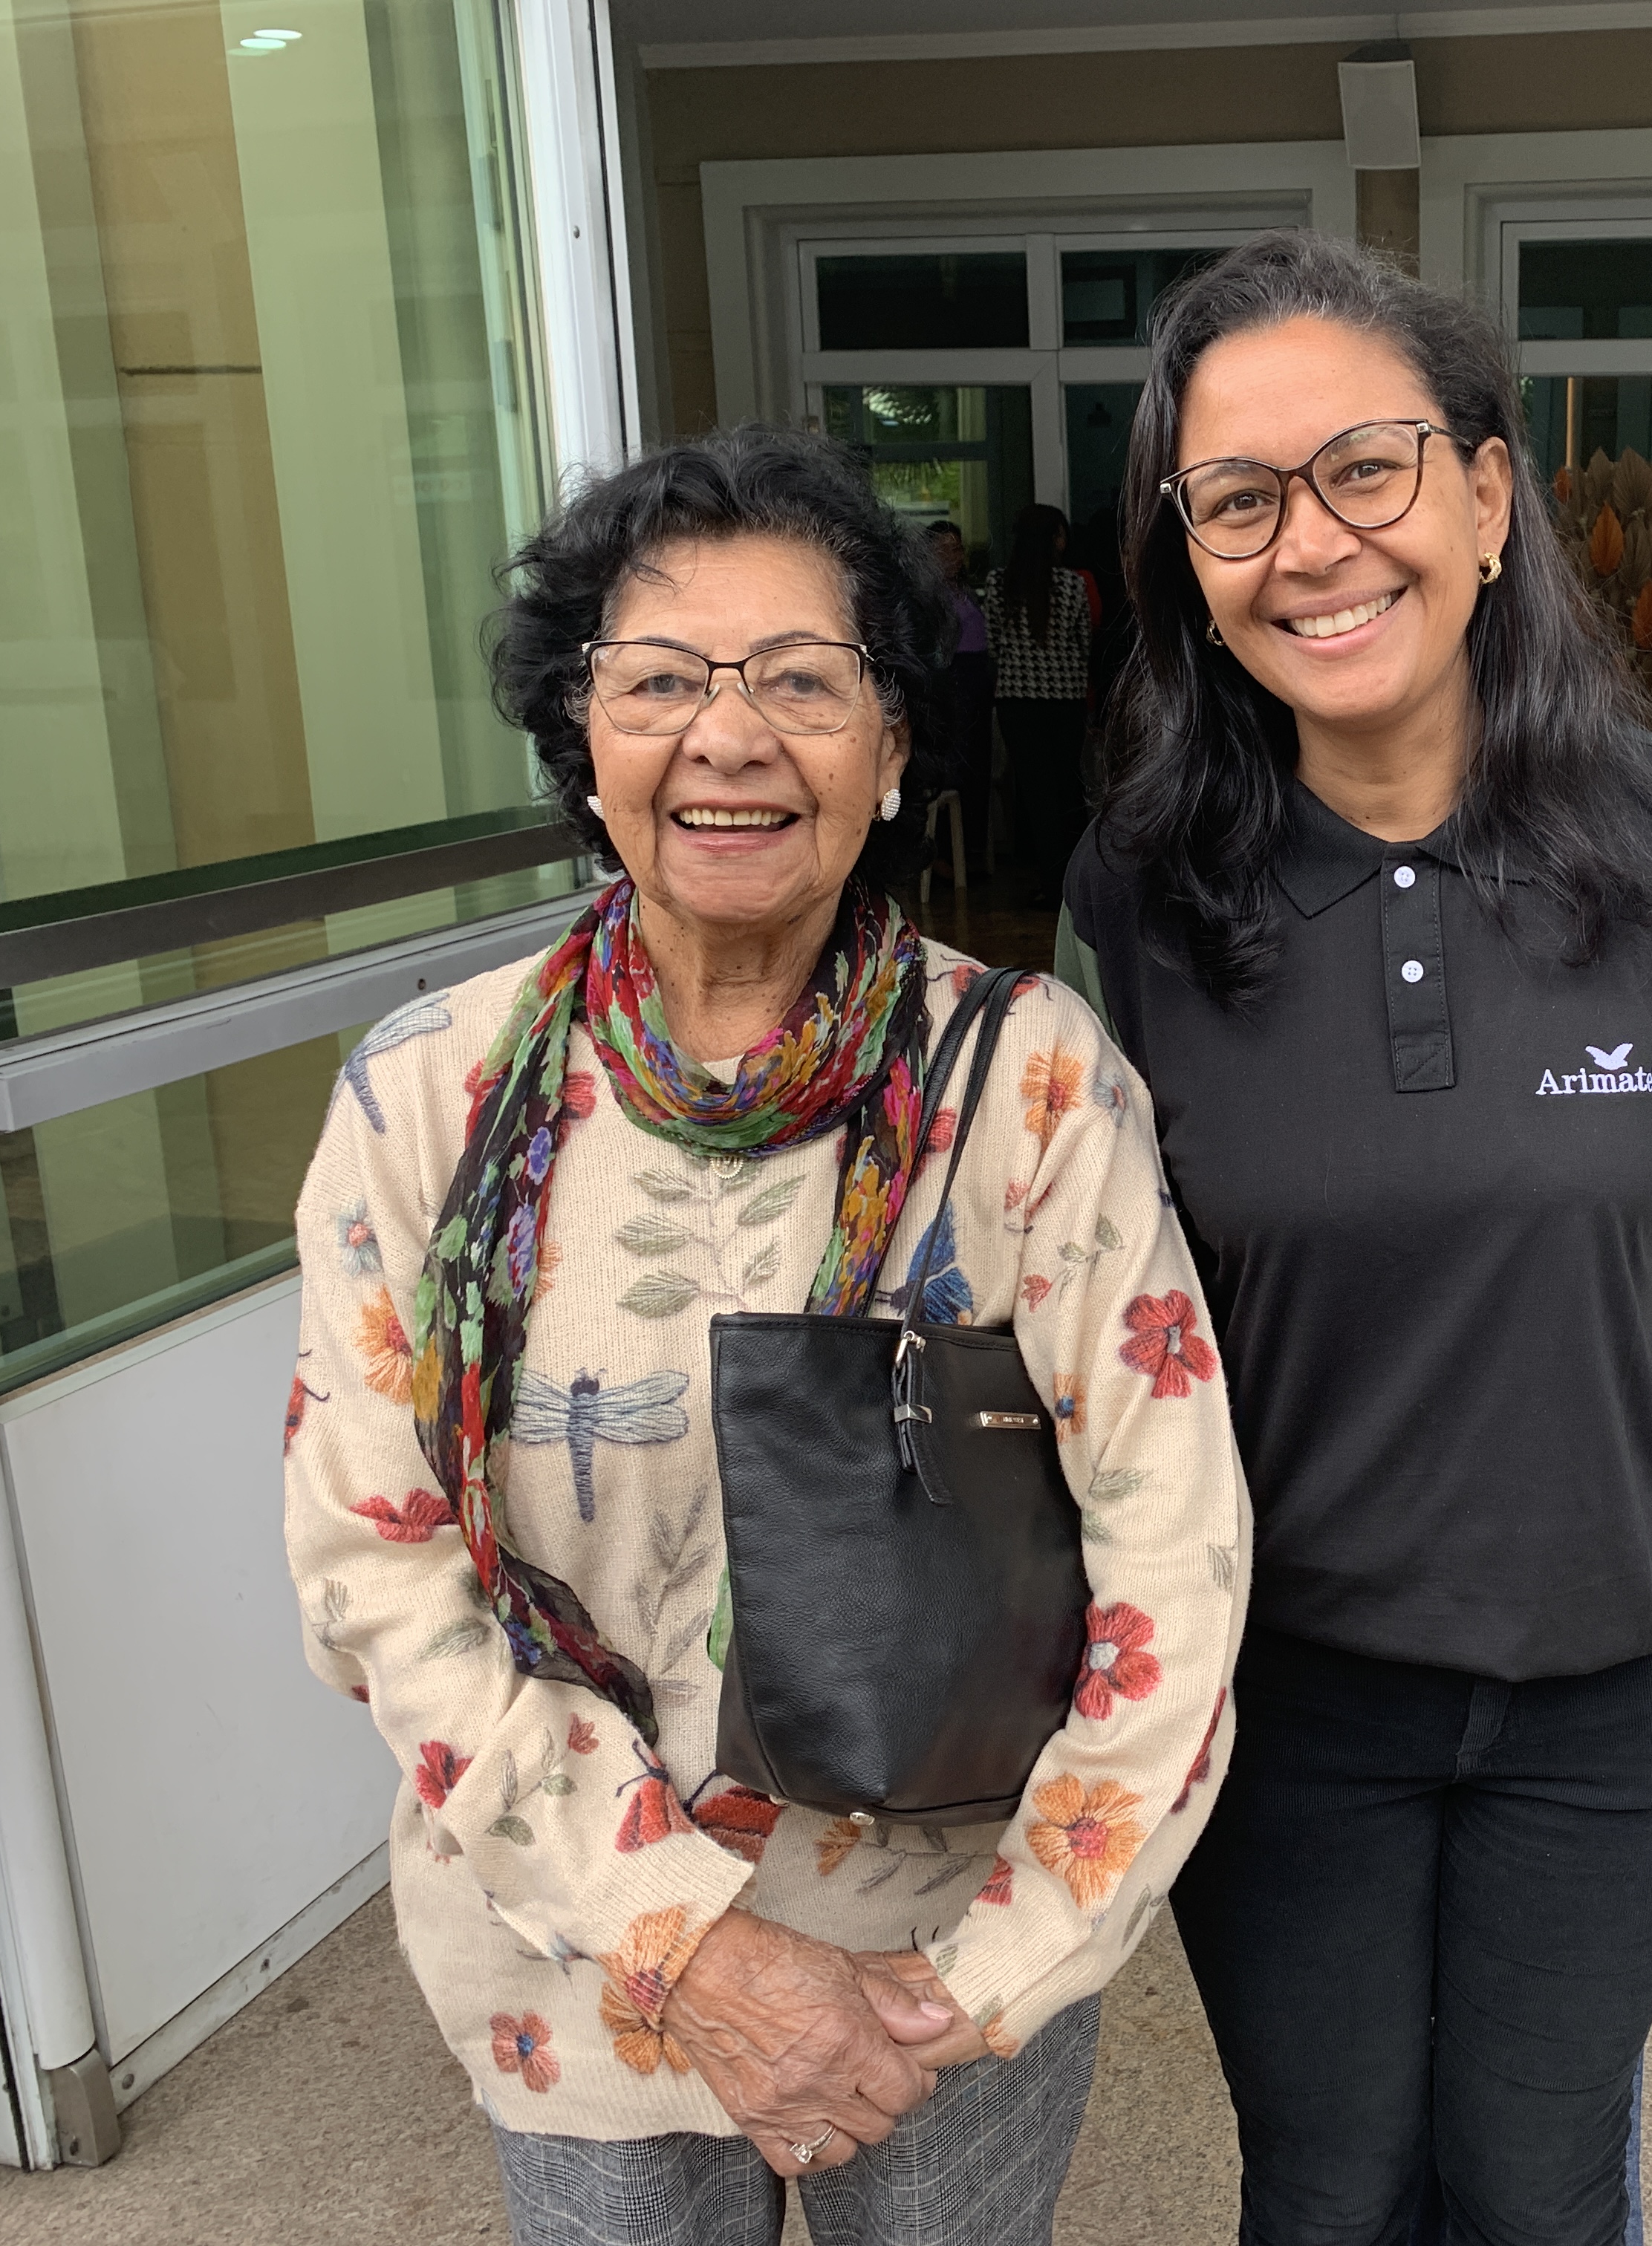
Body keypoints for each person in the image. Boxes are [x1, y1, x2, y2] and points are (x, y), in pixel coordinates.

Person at [281, 426, 1246, 2245]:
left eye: (803, 681)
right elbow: (372, 1568)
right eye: (659, 682)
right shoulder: (427, 1101)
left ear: (893, 749)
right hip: (583, 1952)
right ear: (585, 741)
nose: (729, 737)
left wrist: (1003, 1967)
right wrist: (689, 1942)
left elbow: (1174, 1554)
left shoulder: (1031, 1091)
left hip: (945, 1979)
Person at [1060, 230, 1652, 2244]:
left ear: (1484, 494)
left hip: (1614, 1672)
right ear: (1190, 562)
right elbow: (1116, 1292)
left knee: (1537, 2192)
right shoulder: (1142, 888)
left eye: (1365, 470)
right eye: (1236, 500)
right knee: (1325, 2191)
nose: (1311, 546)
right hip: (1284, 1683)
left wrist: (1508, 1402)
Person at [983, 502, 1093, 910]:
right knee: (1068, 790)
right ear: (1052, 540)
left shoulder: (998, 584)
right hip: (1065, 701)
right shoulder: (1073, 585)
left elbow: (994, 645)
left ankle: (1049, 883)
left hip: (1017, 702)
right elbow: (1084, 643)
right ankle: (1075, 888)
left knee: (1036, 793)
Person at [924, 518, 995, 872]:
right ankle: (948, 858)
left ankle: (975, 853)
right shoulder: (925, 597)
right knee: (957, 765)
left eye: (957, 548)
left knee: (980, 766)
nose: (954, 556)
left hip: (978, 680)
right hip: (951, 682)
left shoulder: (969, 592)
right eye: (944, 550)